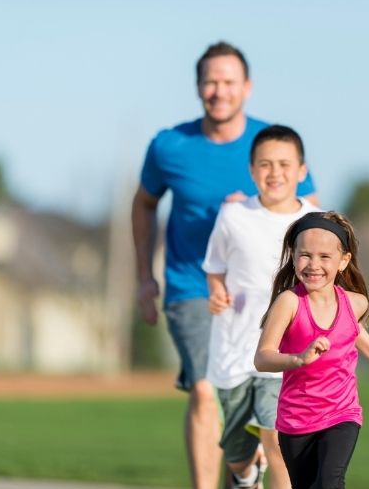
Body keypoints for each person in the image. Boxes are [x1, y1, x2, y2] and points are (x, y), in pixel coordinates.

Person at [131, 41, 317, 489]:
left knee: (267, 412)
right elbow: (143, 205)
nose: (220, 91)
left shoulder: (272, 144)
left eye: (229, 81)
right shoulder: (169, 145)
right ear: (198, 87)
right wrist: (143, 277)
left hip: (264, 293)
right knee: (203, 392)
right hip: (192, 284)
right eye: (211, 81)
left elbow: (305, 213)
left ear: (246, 87)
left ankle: (244, 470)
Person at [202, 125, 320, 489]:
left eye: (285, 164)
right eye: (265, 165)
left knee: (277, 441)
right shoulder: (233, 216)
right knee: (236, 450)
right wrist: (217, 292)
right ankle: (246, 474)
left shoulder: (318, 223)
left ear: (302, 171)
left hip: (288, 353)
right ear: (252, 170)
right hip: (235, 351)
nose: (275, 173)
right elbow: (214, 267)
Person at [254, 211, 369, 489]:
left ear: (343, 261)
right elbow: (262, 357)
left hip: (342, 412)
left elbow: (352, 331)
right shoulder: (289, 303)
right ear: (293, 257)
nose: (313, 264)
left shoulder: (356, 303)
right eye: (305, 255)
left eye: (324, 257)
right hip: (296, 420)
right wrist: (299, 358)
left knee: (330, 482)